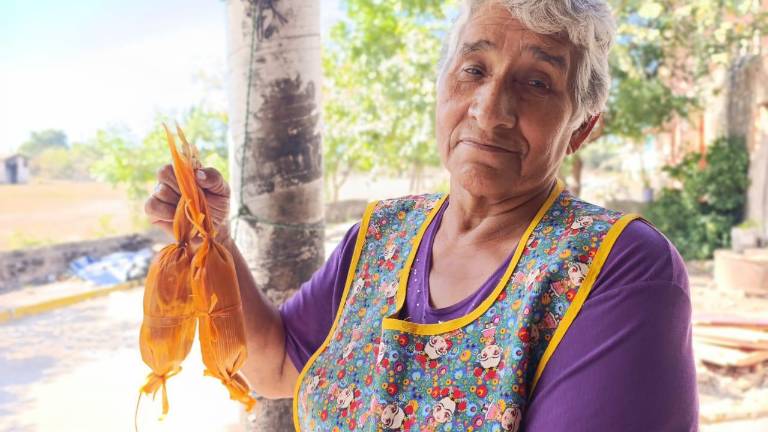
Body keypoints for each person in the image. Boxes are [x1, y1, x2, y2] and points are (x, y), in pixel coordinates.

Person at [145, 0, 698, 430]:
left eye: (536, 82)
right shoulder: (382, 234)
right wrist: (209, 240)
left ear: (580, 127)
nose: (490, 109)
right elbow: (275, 366)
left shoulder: (618, 266)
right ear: (442, 87)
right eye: (474, 69)